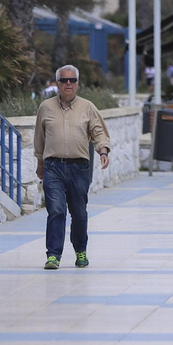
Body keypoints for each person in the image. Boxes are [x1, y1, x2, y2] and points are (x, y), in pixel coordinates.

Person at [34, 65, 112, 270]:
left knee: (79, 213)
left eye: (72, 80)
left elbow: (98, 132)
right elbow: (40, 139)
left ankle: (80, 251)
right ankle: (53, 255)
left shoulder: (88, 107)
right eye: (64, 80)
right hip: (53, 167)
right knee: (56, 211)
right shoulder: (45, 107)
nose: (68, 84)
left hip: (79, 168)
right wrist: (40, 163)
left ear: (78, 83)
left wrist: (103, 151)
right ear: (57, 84)